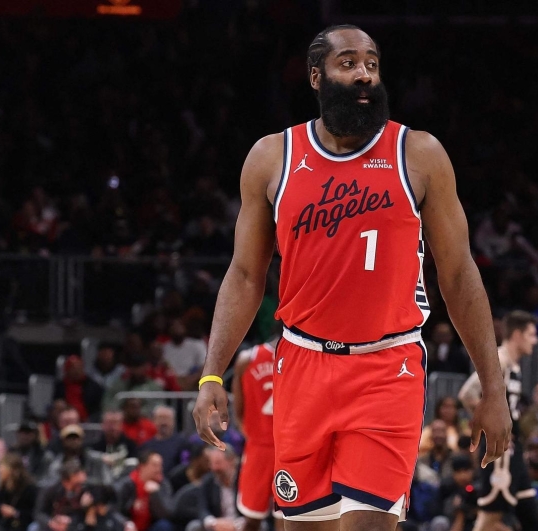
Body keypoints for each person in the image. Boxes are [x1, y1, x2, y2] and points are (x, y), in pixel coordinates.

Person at [192, 25, 511, 531]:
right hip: (301, 365)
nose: (364, 74)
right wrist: (212, 373)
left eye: (372, 63)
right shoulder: (272, 157)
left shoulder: (419, 154)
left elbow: (459, 275)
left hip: (387, 367)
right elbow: (247, 274)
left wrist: (494, 388)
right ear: (316, 77)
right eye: (348, 63)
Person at [458, 310, 538, 531]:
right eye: (532, 334)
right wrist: (494, 424)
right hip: (500, 449)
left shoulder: (513, 363)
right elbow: (467, 394)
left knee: (530, 517)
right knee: (490, 518)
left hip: (514, 450)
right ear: (517, 335)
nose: (536, 340)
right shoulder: (500, 359)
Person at [231, 339, 283, 531]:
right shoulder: (248, 358)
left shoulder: (247, 357)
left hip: (281, 448)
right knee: (254, 518)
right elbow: (238, 411)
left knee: (282, 518)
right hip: (266, 447)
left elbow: (238, 413)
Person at [115, 451, 175, 531]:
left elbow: (166, 514)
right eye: (155, 465)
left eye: (160, 465)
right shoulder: (127, 484)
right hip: (129, 526)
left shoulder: (163, 485)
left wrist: (155, 494)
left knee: (164, 525)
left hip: (150, 527)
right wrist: (125, 522)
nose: (159, 469)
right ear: (142, 466)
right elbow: (115, 510)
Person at [0, 452, 39, 531]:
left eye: (2, 466)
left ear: (11, 469)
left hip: (22, 524)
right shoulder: (4, 484)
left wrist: (15, 513)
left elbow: (34, 513)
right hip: (4, 523)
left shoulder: (29, 487)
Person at [138, 407, 186, 476]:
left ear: (173, 421)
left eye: (167, 418)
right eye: (160, 418)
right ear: (153, 420)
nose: (164, 422)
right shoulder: (146, 446)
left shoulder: (183, 443)